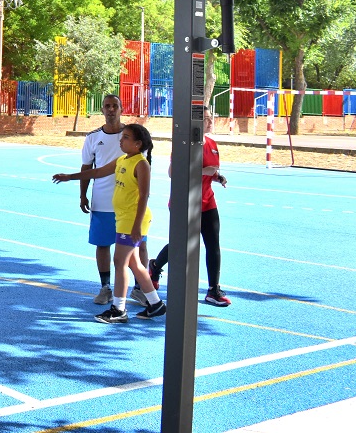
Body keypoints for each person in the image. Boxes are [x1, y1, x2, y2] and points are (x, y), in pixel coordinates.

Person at [54, 123, 166, 323]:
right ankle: (155, 304)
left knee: (120, 262)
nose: (121, 141)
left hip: (133, 219)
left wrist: (136, 226)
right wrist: (70, 177)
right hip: (122, 217)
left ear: (138, 144)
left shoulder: (141, 164)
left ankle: (118, 309)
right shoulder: (123, 159)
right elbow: (97, 172)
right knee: (133, 263)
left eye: (125, 138)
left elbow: (144, 196)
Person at [149, 115, 230, 307]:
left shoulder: (212, 143)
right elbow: (173, 173)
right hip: (184, 202)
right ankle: (155, 266)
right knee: (180, 244)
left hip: (207, 201)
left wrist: (218, 177)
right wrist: (204, 172)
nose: (211, 121)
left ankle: (213, 290)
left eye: (212, 117)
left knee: (213, 244)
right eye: (207, 118)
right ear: (196, 122)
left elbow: (211, 170)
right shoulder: (183, 144)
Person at [77, 94, 151, 305]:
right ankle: (105, 287)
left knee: (140, 248)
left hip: (130, 205)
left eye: (115, 106)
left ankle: (139, 289)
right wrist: (83, 194)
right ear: (102, 110)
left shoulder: (133, 135)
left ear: (121, 108)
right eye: (107, 106)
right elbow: (88, 168)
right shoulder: (92, 138)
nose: (111, 109)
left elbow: (144, 166)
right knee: (103, 245)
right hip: (102, 202)